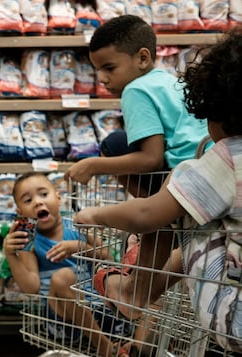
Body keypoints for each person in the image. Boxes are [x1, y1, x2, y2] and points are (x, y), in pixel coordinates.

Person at [74, 27, 242, 354]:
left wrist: (93, 214)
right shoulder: (165, 81)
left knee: (191, 208)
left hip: (233, 320)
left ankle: (136, 291)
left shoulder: (224, 159)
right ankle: (142, 290)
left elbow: (145, 214)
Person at [64, 15, 209, 197]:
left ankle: (155, 216)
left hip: (182, 179)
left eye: (109, 68)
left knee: (113, 144)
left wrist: (92, 165)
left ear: (142, 58)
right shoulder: (169, 80)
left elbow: (151, 159)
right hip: (208, 168)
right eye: (98, 70)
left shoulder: (135, 90)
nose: (101, 79)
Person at [4, 172, 132, 357]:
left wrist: (78, 247)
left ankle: (131, 345)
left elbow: (107, 257)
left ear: (58, 197)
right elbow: (31, 288)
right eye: (27, 200)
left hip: (97, 307)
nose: (38, 202)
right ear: (20, 212)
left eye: (43, 194)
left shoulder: (76, 225)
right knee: (63, 277)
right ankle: (103, 345)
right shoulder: (30, 240)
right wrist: (10, 254)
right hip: (63, 317)